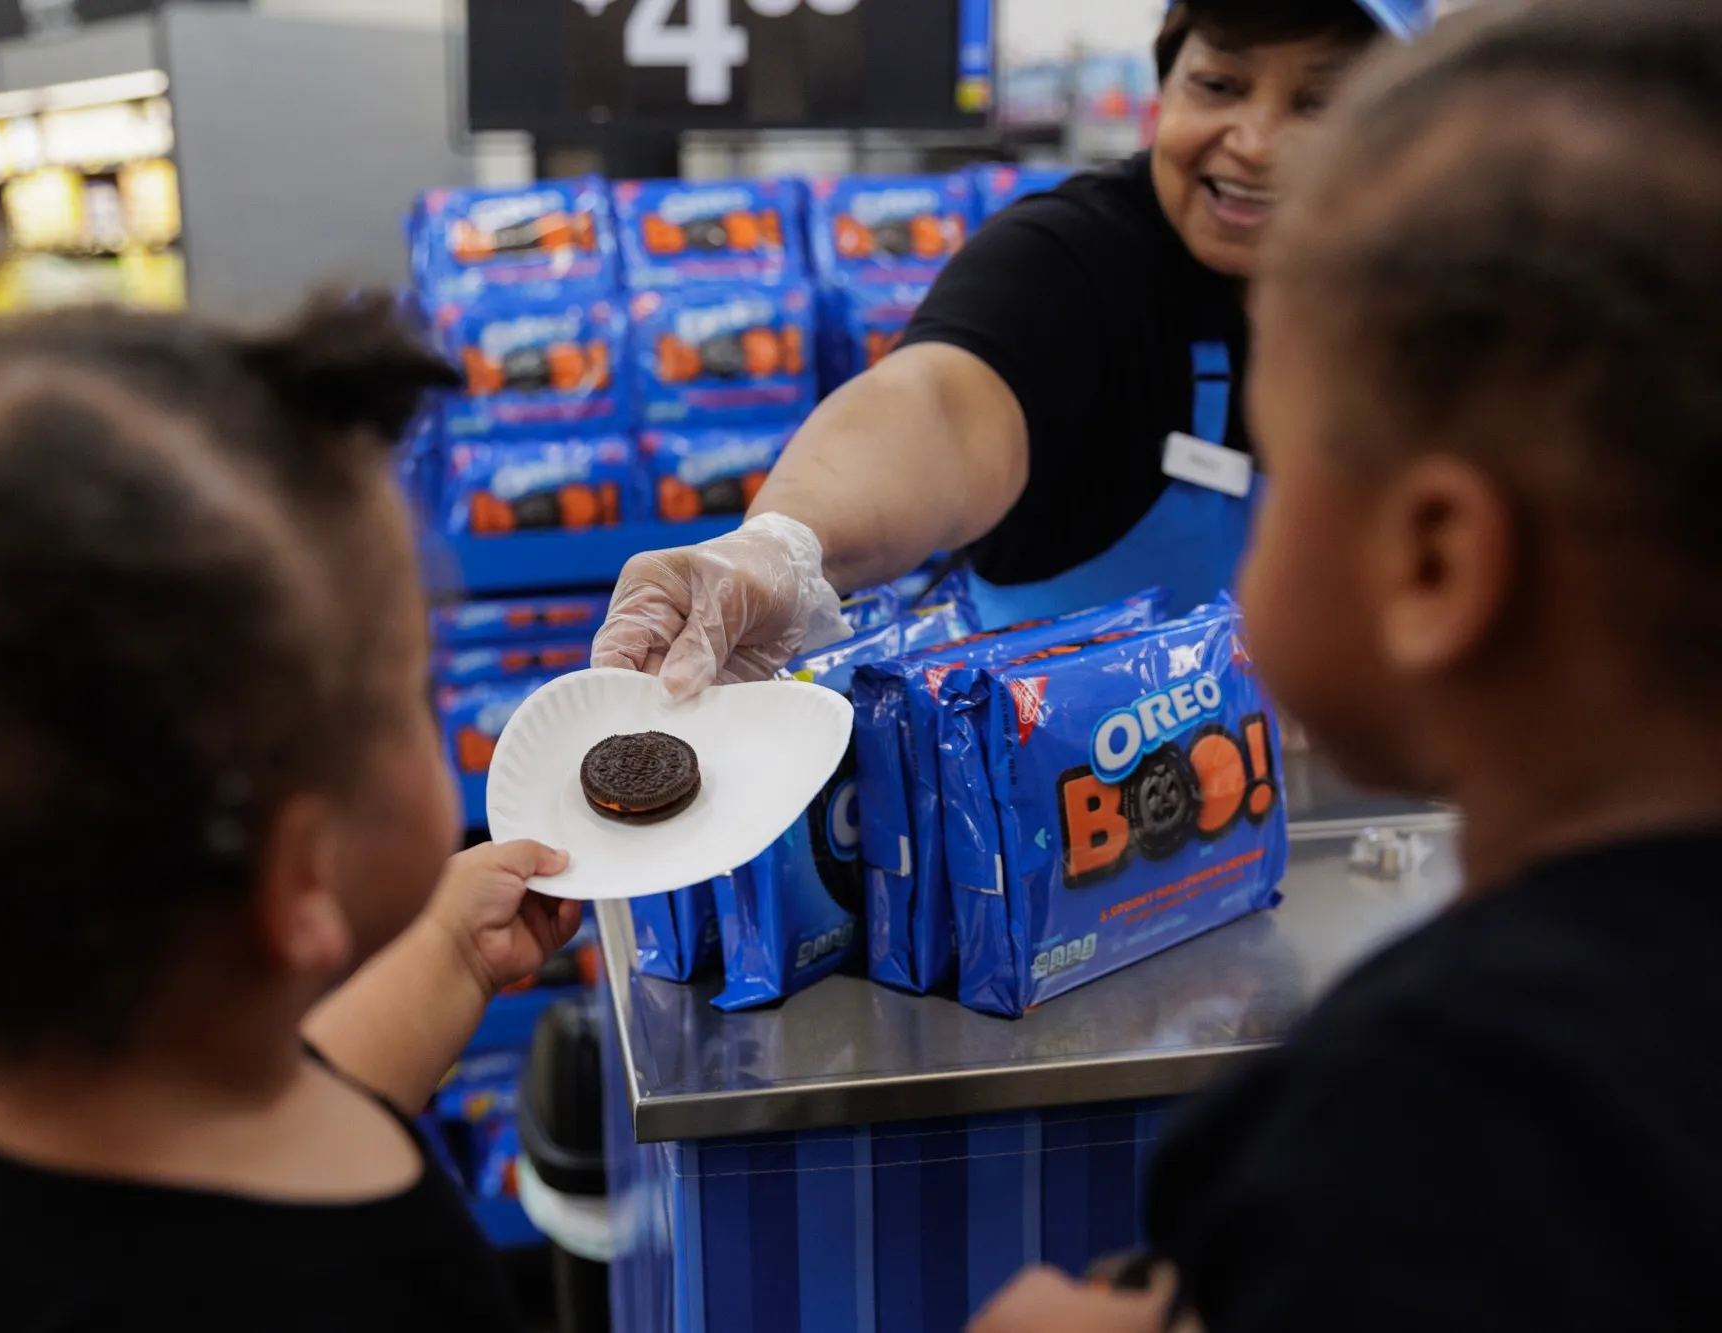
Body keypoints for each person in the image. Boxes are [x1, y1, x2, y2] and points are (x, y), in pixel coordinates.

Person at [972, 0, 1722, 1328]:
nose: (1258, 138)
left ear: (1435, 565)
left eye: (1298, 458)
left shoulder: (1435, 1113)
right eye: (1221, 80)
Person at [0, 296, 581, 1333]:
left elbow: (303, 1093)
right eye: (412, 688)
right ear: (296, 874)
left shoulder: (75, 1110)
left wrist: (452, 951)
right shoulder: (310, 1299)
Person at [594, 0, 1427, 697]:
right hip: (1052, 837)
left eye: (1319, 104)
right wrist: (785, 543)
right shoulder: (1070, 260)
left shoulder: (1433, 291)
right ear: (1164, 89)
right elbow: (938, 407)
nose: (1252, 139)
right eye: (1218, 85)